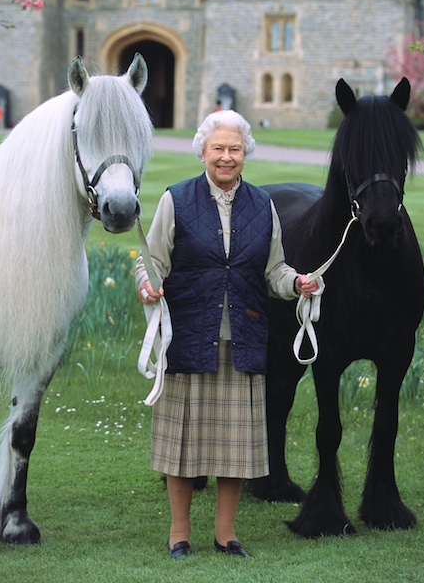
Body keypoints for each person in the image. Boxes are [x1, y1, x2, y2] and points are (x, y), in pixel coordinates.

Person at [135, 110, 318, 560]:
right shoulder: (175, 200)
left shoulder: (263, 206)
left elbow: (274, 269)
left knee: (235, 448)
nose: (226, 157)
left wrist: (296, 283)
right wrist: (147, 283)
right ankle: (179, 533)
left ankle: (225, 534)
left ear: (245, 153)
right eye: (218, 148)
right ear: (202, 150)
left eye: (235, 149)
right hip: (190, 337)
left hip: (244, 340)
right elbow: (152, 259)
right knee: (183, 446)